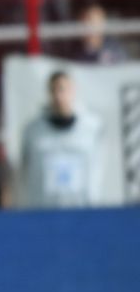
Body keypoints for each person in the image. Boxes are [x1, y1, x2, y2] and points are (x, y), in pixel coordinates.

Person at [18, 71, 105, 209]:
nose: (58, 96)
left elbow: (96, 170)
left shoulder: (92, 129)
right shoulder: (33, 131)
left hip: (81, 210)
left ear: (73, 90)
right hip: (44, 210)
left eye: (62, 89)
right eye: (53, 90)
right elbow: (24, 169)